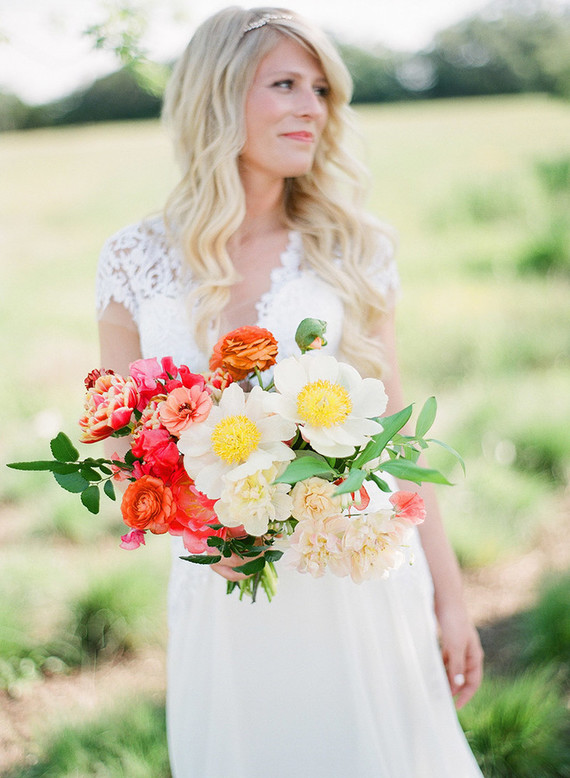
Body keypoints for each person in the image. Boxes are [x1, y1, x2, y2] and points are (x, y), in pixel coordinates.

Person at [96, 6, 484, 776]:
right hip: (221, 592)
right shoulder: (134, 259)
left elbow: (397, 441)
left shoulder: (353, 250)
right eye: (285, 83)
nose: (313, 106)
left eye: (321, 89)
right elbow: (117, 444)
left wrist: (450, 597)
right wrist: (202, 531)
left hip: (355, 575)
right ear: (220, 96)